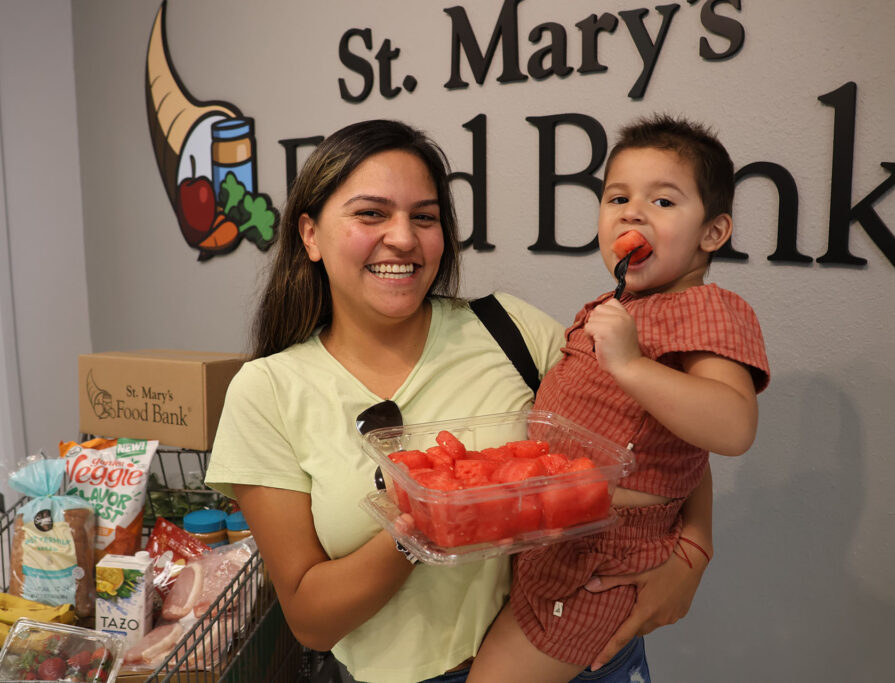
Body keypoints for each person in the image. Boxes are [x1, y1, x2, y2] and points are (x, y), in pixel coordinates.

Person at [204, 119, 716, 683]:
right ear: (310, 234)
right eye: (371, 213)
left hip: (579, 657)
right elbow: (311, 621)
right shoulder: (267, 390)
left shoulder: (511, 329)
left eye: (424, 217)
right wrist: (424, 521)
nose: (402, 238)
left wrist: (694, 551)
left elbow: (655, 433)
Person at [467, 114, 771, 682]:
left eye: (662, 202)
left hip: (604, 559)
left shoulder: (710, 309)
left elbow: (733, 427)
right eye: (617, 197)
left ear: (713, 232)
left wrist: (629, 365)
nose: (632, 212)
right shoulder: (617, 307)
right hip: (556, 538)